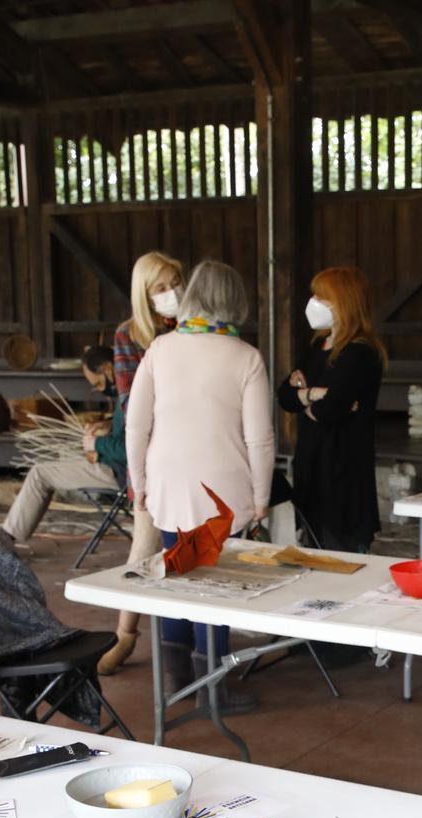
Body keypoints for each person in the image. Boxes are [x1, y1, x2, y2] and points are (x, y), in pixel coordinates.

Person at [124, 259, 275, 702]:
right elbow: (260, 439)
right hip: (224, 490)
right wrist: (262, 495)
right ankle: (214, 689)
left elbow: (137, 425)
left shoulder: (160, 349)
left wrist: (140, 484)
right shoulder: (246, 357)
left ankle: (177, 682)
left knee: (175, 574)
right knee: (215, 585)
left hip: (169, 482)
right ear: (236, 302)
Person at [94, 250, 184, 676]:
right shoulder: (129, 336)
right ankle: (124, 636)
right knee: (144, 547)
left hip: (195, 451)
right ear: (144, 295)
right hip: (150, 456)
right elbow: (133, 404)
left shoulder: (195, 326)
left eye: (175, 283)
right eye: (161, 288)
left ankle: (194, 645)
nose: (171, 294)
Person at [277, 266, 386, 552]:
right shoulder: (316, 347)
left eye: (323, 297)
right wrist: (312, 395)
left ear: (344, 303)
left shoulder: (360, 353)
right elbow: (285, 396)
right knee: (310, 548)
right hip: (311, 468)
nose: (314, 303)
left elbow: (329, 410)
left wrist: (307, 401)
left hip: (344, 475)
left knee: (343, 555)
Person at [0, 345, 120, 546]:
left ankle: (6, 539)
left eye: (99, 384)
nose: (101, 390)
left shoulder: (130, 393)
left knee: (39, 473)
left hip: (119, 472)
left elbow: (128, 450)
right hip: (118, 467)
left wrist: (97, 444)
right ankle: (9, 535)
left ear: (108, 370)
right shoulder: (133, 391)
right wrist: (109, 423)